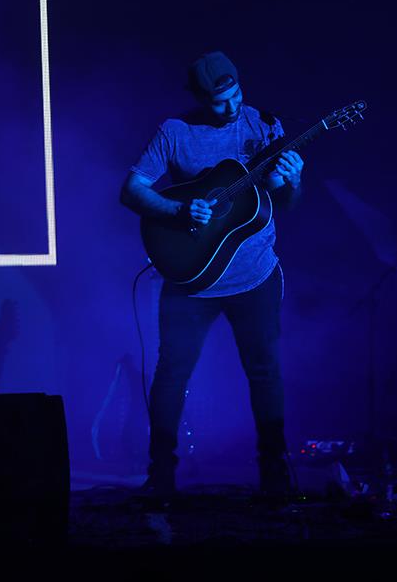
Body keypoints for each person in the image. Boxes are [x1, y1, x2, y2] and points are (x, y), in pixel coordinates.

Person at [120, 51, 304, 497]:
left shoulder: (266, 126)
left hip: (254, 276)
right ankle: (161, 476)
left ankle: (275, 475)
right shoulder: (175, 132)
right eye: (219, 101)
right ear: (199, 98)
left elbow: (285, 204)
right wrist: (178, 210)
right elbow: (132, 189)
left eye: (236, 95)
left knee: (264, 371)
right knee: (172, 373)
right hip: (190, 279)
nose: (231, 107)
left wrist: (292, 181)